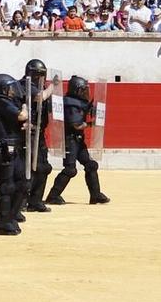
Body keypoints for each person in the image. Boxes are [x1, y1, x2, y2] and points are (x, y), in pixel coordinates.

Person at [45, 75, 109, 205]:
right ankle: (53, 196)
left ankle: (95, 195)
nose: (86, 93)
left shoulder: (78, 103)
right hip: (70, 141)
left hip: (78, 141)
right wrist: (91, 124)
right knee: (70, 169)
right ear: (77, 90)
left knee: (91, 165)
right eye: (83, 90)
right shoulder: (70, 104)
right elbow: (76, 124)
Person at [0, 71, 28, 236]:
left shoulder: (7, 102)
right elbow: (21, 115)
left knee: (23, 183)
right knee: (7, 186)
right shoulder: (1, 102)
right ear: (3, 89)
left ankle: (11, 217)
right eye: (9, 88)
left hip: (14, 146)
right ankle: (2, 222)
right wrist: (25, 105)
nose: (13, 91)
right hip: (4, 149)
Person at [23, 58, 53, 213]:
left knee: (43, 167)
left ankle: (35, 200)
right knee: (27, 168)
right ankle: (21, 200)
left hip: (39, 133)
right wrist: (54, 86)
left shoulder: (43, 87)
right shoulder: (26, 85)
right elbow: (39, 97)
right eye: (39, 74)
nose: (41, 77)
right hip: (28, 133)